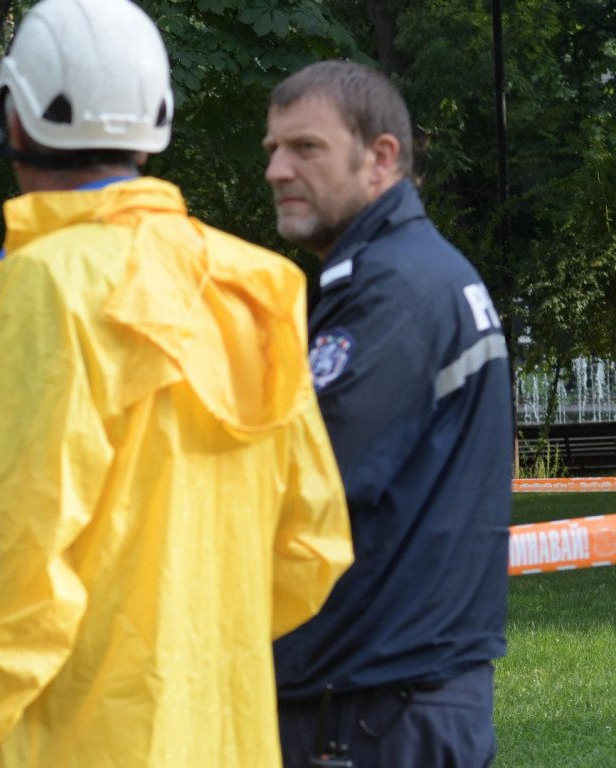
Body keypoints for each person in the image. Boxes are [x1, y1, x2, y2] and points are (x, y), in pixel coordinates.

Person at [0, 1, 354, 765]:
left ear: (17, 118)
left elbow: (14, 576)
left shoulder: (48, 289)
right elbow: (313, 547)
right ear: (154, 120)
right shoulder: (253, 287)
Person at [263, 60, 513, 767]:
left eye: (305, 147)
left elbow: (310, 486)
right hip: (392, 701)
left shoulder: (393, 290)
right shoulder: (411, 271)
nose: (278, 169)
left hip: (373, 713)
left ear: (381, 158)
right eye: (273, 149)